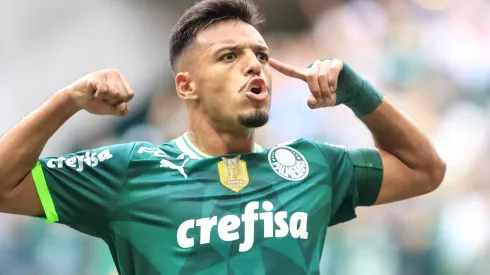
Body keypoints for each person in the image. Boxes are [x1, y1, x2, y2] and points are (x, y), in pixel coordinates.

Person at [0, 0, 446, 274]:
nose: (254, 65)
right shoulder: (129, 171)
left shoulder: (312, 167)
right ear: (186, 86)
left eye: (261, 55)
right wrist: (66, 101)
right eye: (229, 56)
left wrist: (356, 91)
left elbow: (425, 170)